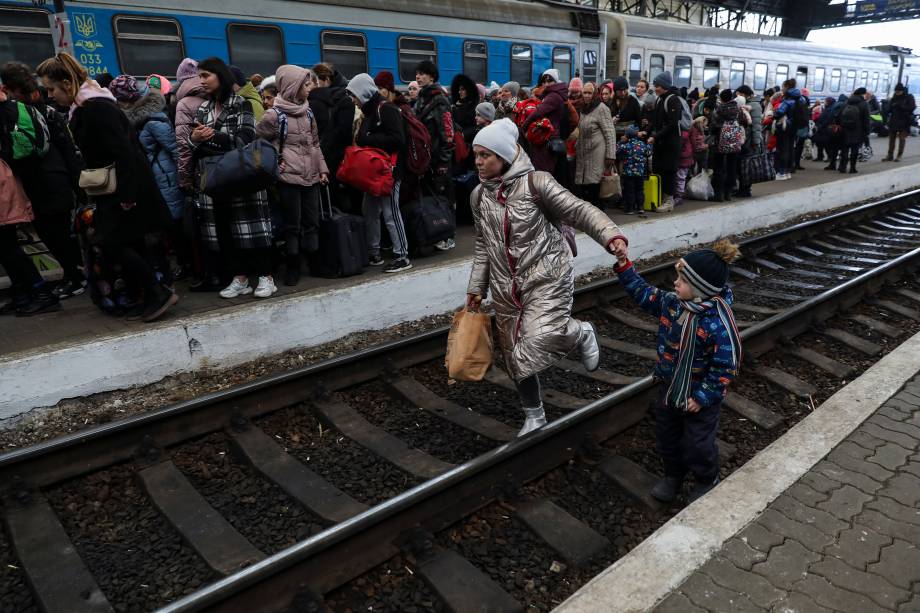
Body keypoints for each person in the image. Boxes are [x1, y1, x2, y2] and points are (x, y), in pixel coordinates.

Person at [467, 118, 628, 436]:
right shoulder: (479, 197)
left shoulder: (536, 183)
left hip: (547, 274)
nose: (478, 161)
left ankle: (580, 332)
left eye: (485, 154)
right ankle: (534, 415)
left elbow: (579, 210)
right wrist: (476, 286)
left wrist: (611, 235)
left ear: (503, 157)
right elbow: (483, 244)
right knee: (515, 355)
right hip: (505, 286)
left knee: (539, 338)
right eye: (476, 154)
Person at [36, 53, 177, 321]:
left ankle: (158, 292)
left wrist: (127, 195)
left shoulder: (96, 108)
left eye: (52, 88)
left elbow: (124, 152)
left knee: (108, 241)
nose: (50, 95)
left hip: (124, 189)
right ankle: (148, 295)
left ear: (67, 83)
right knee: (131, 242)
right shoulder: (87, 106)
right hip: (118, 187)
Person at [613, 239, 742, 503]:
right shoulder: (673, 304)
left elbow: (726, 366)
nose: (675, 283)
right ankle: (674, 476)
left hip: (700, 399)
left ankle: (707, 478)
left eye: (681, 281)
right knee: (667, 436)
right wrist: (625, 265)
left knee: (698, 444)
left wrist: (704, 397)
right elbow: (643, 293)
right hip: (670, 387)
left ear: (699, 290)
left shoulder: (718, 322)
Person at [189, 57, 276, 299]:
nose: (202, 81)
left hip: (240, 175)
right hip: (215, 178)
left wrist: (213, 137)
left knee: (253, 228)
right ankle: (240, 278)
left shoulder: (242, 104)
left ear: (220, 76)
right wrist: (195, 139)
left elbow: (246, 139)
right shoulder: (203, 108)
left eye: (206, 75)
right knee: (225, 230)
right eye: (200, 76)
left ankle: (266, 277)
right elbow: (192, 143)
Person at [1, 61, 86, 300]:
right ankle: (75, 275)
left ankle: (76, 278)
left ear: (9, 87)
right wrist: (77, 182)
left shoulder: (15, 112)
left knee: (54, 234)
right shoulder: (46, 109)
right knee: (60, 233)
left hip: (39, 182)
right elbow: (68, 149)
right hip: (56, 179)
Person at [256, 65, 329, 286]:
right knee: (292, 224)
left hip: (311, 176)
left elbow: (315, 144)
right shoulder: (273, 115)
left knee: (312, 221)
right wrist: (275, 163)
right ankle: (293, 266)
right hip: (288, 177)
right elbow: (257, 142)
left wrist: (322, 169)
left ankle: (315, 262)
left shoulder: (308, 112)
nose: (309, 89)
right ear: (292, 87)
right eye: (305, 85)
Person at [0, 88, 61, 316]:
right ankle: (24, 292)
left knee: (7, 246)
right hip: (7, 180)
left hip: (2, 184)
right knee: (5, 246)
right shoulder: (8, 106)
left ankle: (41, 293)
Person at [344, 72, 412, 274]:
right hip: (375, 173)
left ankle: (402, 255)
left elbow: (398, 140)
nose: (353, 100)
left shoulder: (386, 109)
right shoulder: (372, 110)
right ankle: (373, 251)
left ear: (364, 93)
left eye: (354, 95)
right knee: (370, 211)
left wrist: (368, 137)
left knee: (391, 212)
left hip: (389, 173)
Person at [414, 60, 456, 251]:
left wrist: (443, 163)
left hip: (438, 159)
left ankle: (448, 235)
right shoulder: (421, 99)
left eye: (422, 73)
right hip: (426, 158)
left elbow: (447, 133)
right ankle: (436, 232)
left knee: (442, 197)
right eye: (417, 73)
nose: (418, 76)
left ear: (432, 76)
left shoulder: (440, 100)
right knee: (432, 196)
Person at [310, 63, 355, 210]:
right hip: (326, 153)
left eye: (316, 81)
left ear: (326, 80)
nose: (314, 85)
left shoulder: (344, 99)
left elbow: (343, 130)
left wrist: (324, 146)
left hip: (337, 155)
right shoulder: (321, 99)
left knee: (335, 196)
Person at [521, 68, 569, 179]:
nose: (546, 84)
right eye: (544, 81)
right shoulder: (556, 94)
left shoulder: (552, 96)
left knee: (543, 172)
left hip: (547, 137)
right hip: (551, 136)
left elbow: (537, 113)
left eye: (550, 81)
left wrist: (524, 126)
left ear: (555, 82)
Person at [573, 81, 616, 206]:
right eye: (584, 93)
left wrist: (610, 155)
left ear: (595, 94)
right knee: (584, 185)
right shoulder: (583, 109)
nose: (586, 95)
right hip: (584, 152)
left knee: (595, 185)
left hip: (597, 152)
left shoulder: (602, 109)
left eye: (589, 93)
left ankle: (598, 213)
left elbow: (610, 133)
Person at [647, 71, 682, 212]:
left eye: (658, 86)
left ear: (665, 86)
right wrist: (646, 132)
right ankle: (660, 196)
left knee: (669, 171)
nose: (655, 88)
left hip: (671, 143)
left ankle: (669, 200)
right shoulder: (659, 99)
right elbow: (655, 121)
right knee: (658, 169)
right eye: (655, 85)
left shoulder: (673, 100)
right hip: (660, 142)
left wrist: (655, 136)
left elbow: (672, 124)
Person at [710, 89, 749, 202]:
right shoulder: (738, 109)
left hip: (720, 143)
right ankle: (728, 193)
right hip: (735, 142)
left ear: (721, 98)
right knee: (732, 167)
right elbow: (745, 122)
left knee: (719, 168)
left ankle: (718, 195)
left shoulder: (719, 109)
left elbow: (713, 127)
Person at [734, 85, 763, 198]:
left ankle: (745, 190)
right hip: (745, 140)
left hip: (750, 141)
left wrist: (756, 142)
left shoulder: (754, 106)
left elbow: (756, 126)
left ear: (745, 94)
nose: (738, 97)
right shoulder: (747, 104)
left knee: (747, 166)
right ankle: (742, 189)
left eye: (740, 94)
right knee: (742, 165)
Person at [771, 79, 802, 180]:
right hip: (795, 126)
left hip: (785, 127)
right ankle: (788, 171)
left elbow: (779, 112)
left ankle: (781, 172)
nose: (782, 88)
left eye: (783, 86)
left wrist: (774, 113)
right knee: (790, 148)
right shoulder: (800, 98)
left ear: (787, 87)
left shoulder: (788, 100)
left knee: (782, 149)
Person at [616, 125, 651, 215]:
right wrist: (649, 144)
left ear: (627, 135)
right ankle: (640, 207)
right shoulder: (642, 145)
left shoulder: (626, 146)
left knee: (629, 190)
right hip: (640, 172)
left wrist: (620, 141)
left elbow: (616, 150)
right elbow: (649, 152)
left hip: (628, 173)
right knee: (640, 189)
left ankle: (630, 208)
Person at [836, 87, 870, 174]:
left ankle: (842, 167)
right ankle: (852, 168)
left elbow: (838, 116)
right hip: (857, 130)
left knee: (845, 149)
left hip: (845, 129)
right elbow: (866, 119)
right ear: (862, 94)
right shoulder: (864, 104)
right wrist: (866, 131)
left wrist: (841, 125)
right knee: (854, 149)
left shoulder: (846, 102)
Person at [885, 83, 916, 162]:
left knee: (902, 139)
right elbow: (889, 109)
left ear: (902, 91)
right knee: (891, 139)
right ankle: (890, 155)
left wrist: (901, 106)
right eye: (896, 91)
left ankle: (899, 155)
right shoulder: (894, 98)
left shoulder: (909, 97)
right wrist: (888, 107)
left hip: (904, 121)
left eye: (899, 91)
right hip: (894, 120)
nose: (897, 93)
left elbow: (912, 107)